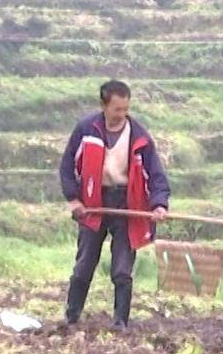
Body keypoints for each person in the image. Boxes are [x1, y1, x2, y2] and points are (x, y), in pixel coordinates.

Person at [59, 80, 171, 330]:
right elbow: (67, 167)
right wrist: (73, 199)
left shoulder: (139, 136)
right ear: (104, 106)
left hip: (126, 204)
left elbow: (156, 175)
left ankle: (120, 322)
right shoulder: (87, 129)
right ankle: (71, 317)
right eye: (117, 109)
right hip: (93, 203)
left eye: (125, 109)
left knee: (122, 268)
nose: (122, 114)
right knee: (84, 264)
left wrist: (159, 205)